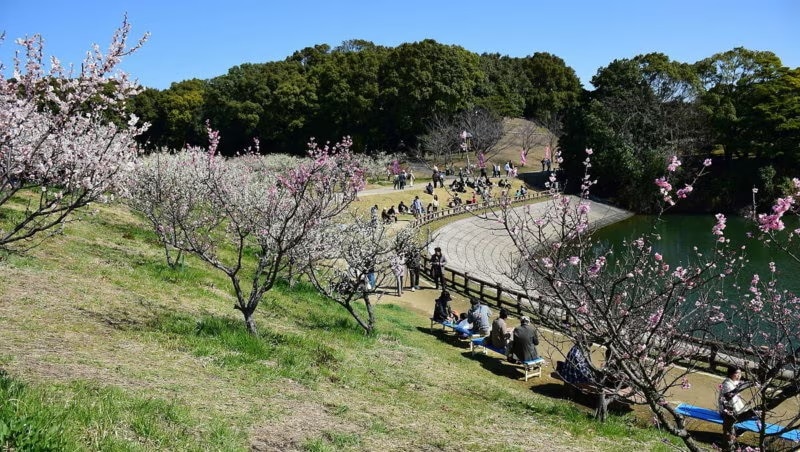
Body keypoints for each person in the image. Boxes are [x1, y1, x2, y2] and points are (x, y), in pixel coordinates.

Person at [718, 366, 759, 449]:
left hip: (731, 411)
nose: (739, 375)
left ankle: (733, 435)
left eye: (740, 373)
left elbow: (741, 386)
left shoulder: (733, 383)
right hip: (727, 413)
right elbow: (732, 402)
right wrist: (743, 413)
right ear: (731, 374)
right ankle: (733, 435)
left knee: (755, 417)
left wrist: (752, 383)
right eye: (737, 373)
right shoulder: (727, 385)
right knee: (754, 419)